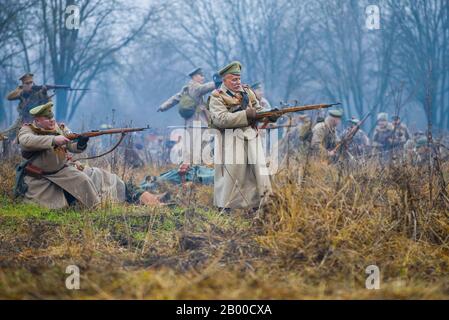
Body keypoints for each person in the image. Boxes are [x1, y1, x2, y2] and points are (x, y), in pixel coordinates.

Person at [16, 102, 166, 209]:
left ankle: (97, 207)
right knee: (48, 204)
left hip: (62, 170)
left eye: (52, 117)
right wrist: (54, 139)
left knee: (86, 180)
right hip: (41, 178)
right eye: (47, 119)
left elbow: (72, 146)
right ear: (37, 120)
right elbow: (27, 142)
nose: (52, 120)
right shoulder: (28, 130)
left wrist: (81, 142)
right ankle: (95, 208)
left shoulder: (59, 128)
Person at [208, 61, 274, 210]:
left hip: (251, 137)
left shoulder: (247, 92)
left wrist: (270, 115)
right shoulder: (217, 96)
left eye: (239, 79)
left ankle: (261, 203)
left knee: (258, 171)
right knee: (232, 174)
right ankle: (227, 207)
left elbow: (257, 110)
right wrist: (246, 114)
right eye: (233, 79)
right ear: (224, 80)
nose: (238, 82)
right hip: (230, 138)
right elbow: (221, 119)